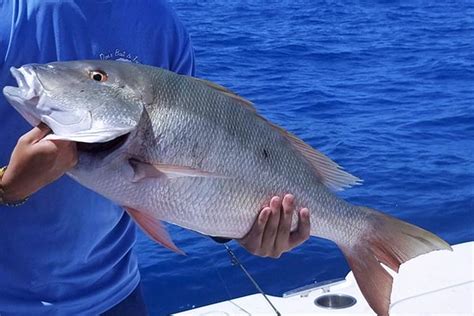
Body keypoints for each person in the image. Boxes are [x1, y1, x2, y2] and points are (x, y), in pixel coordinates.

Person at [0, 1, 310, 314]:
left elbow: (196, 164)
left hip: (116, 297)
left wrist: (246, 228)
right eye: (97, 77)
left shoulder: (162, 25)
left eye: (97, 77)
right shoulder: (9, 17)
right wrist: (9, 187)